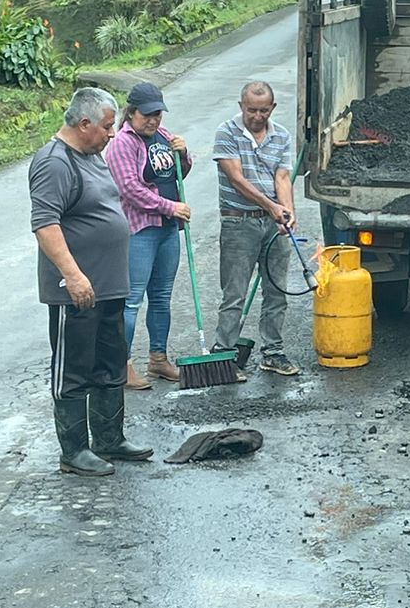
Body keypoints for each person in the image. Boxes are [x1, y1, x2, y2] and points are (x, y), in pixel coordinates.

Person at [28, 87, 153, 476]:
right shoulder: (54, 162)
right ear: (84, 124)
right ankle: (74, 451)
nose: (112, 134)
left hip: (110, 285)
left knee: (110, 363)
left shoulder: (92, 155)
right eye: (107, 126)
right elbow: (45, 224)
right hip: (77, 291)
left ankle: (109, 439)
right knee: (74, 369)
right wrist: (73, 275)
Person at [104, 81, 192, 390]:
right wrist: (170, 206)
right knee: (131, 301)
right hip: (139, 230)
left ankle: (158, 359)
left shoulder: (163, 136)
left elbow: (177, 173)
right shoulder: (121, 144)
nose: (153, 120)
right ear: (131, 113)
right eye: (147, 115)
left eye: (158, 114)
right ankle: (122, 365)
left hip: (167, 229)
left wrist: (184, 154)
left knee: (162, 296)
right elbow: (129, 189)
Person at [210, 80, 299, 378]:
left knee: (277, 290)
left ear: (272, 108)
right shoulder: (226, 132)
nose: (257, 116)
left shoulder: (281, 135)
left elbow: (282, 178)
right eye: (251, 110)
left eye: (263, 110)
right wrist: (272, 206)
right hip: (239, 222)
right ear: (241, 106)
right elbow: (236, 179)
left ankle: (273, 352)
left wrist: (286, 212)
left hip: (273, 222)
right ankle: (224, 354)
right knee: (234, 292)